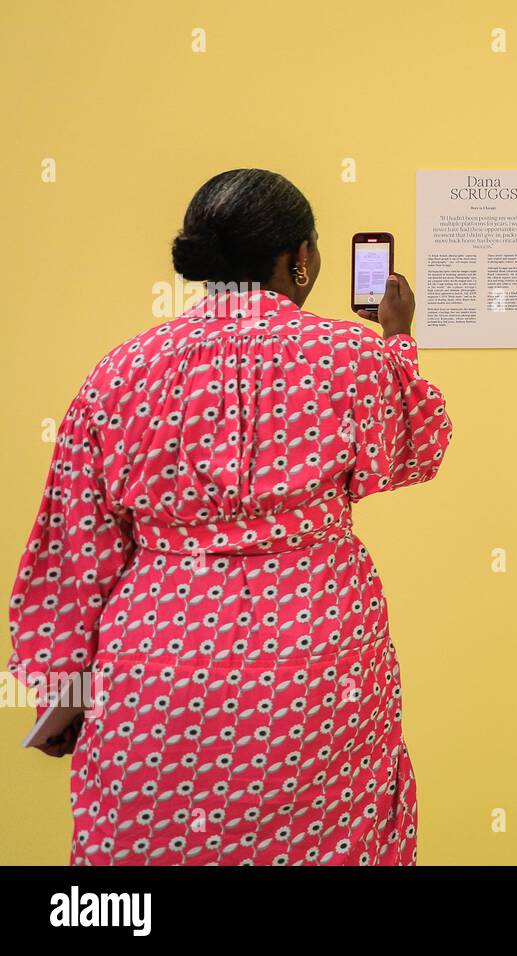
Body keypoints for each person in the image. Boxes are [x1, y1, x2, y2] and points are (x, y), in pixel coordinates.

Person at [7, 169, 452, 865]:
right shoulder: (354, 359)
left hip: (157, 663)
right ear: (299, 259)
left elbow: (74, 550)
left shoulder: (120, 372)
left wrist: (63, 683)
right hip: (317, 660)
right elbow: (414, 452)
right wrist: (397, 341)